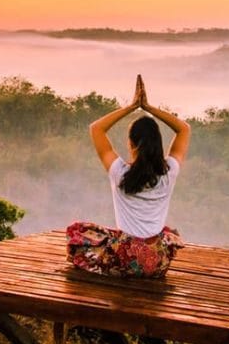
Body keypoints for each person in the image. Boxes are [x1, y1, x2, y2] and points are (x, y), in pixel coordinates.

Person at [66, 74, 191, 278]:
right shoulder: (169, 172)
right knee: (166, 233)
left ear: (131, 144)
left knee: (76, 231)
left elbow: (96, 128)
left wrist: (132, 106)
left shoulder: (120, 173)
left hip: (124, 260)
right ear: (158, 145)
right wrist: (149, 108)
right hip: (156, 263)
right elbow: (184, 129)